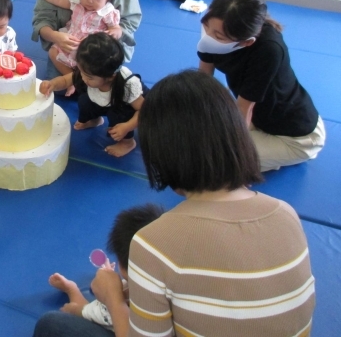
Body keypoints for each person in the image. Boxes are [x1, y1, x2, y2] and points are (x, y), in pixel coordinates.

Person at [132, 71, 313, 336]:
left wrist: (112, 297)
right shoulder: (287, 215)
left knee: (58, 324)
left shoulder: (153, 245)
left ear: (160, 154)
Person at [197, 0, 325, 172]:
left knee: (213, 160)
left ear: (246, 42)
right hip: (257, 117)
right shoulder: (217, 28)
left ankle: (285, 155)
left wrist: (236, 158)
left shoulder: (269, 50)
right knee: (195, 139)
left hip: (296, 137)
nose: (208, 36)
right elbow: (203, 80)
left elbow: (244, 108)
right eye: (206, 26)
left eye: (218, 36)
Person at [35, 204, 164, 336]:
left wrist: (74, 308)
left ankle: (72, 290)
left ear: (123, 265)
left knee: (49, 323)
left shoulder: (115, 307)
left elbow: (86, 311)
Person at [40, 33, 147, 157]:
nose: (84, 78)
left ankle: (128, 142)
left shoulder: (127, 86)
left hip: (125, 106)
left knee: (118, 114)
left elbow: (144, 110)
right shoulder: (88, 72)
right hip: (103, 100)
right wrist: (52, 84)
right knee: (84, 101)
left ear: (109, 77)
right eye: (81, 72)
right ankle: (95, 120)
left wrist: (127, 127)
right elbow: (65, 80)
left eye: (89, 77)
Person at [29, 0, 122, 95]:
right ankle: (72, 78)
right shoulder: (77, 1)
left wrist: (114, 33)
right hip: (71, 43)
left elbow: (116, 28)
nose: (89, 0)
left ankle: (78, 80)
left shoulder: (107, 12)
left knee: (93, 72)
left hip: (89, 51)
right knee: (53, 51)